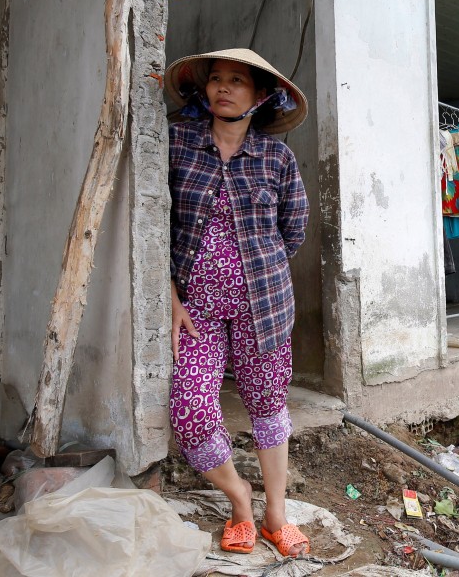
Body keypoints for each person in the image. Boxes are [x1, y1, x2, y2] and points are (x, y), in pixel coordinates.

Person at [164, 48, 310, 557]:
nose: (223, 87)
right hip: (195, 309)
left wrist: (255, 269)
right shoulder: (178, 143)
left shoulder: (277, 158)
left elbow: (292, 232)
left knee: (269, 407)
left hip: (264, 306)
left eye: (237, 81)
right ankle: (239, 499)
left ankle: (275, 513)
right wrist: (171, 292)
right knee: (191, 409)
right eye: (216, 80)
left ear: (261, 95)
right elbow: (152, 220)